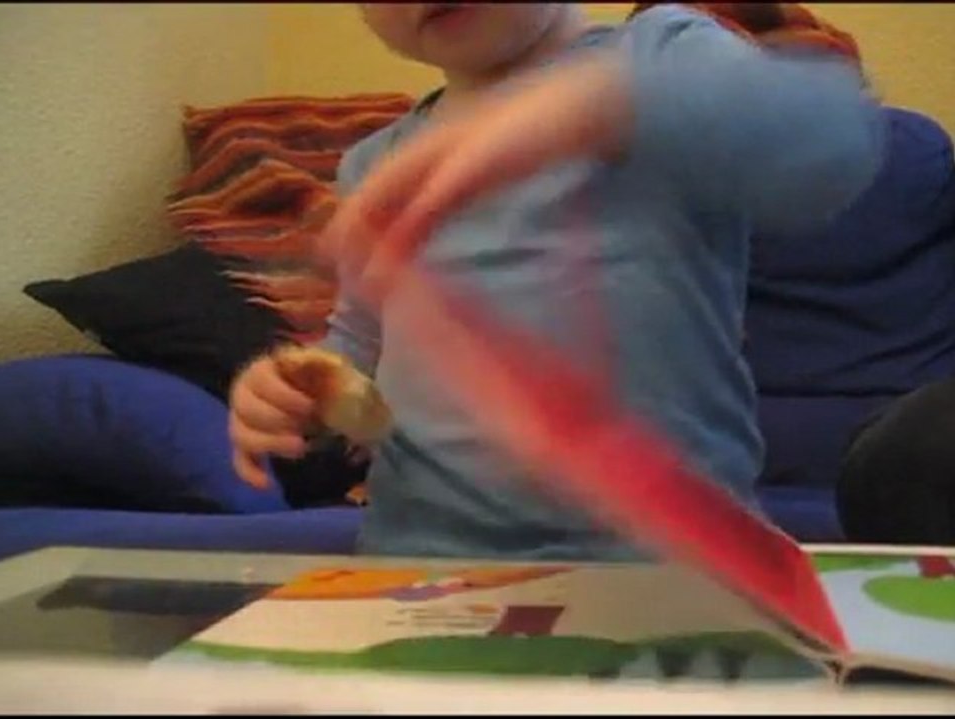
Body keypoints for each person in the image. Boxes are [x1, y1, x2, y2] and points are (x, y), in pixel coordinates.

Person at [228, 3, 883, 560]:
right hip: (420, 561)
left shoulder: (662, 55)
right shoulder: (373, 164)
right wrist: (300, 392)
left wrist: (600, 105)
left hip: (664, 561)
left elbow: (834, 135)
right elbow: (361, 340)